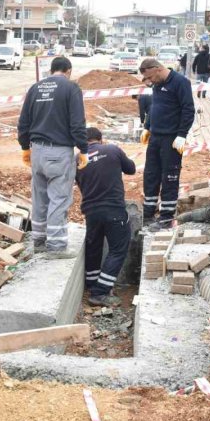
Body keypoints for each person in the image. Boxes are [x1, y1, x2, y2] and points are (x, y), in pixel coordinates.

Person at [17, 56, 88, 258]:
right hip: (59, 151)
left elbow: (23, 122)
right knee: (59, 198)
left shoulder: (35, 88)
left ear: (52, 70)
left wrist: (25, 147)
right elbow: (77, 123)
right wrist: (83, 148)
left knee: (40, 197)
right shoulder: (71, 88)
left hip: (37, 150)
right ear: (68, 70)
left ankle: (39, 242)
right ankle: (56, 247)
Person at [76, 127, 136, 307]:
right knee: (118, 249)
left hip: (91, 211)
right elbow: (131, 169)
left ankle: (92, 283)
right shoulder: (112, 149)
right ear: (100, 140)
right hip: (113, 209)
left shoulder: (77, 159)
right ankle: (100, 292)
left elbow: (79, 182)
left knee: (94, 247)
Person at [139, 58, 195, 229]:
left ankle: (166, 217)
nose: (150, 82)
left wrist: (182, 135)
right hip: (155, 137)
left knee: (169, 177)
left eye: (150, 77)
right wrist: (147, 127)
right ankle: (148, 213)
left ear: (157, 69)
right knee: (151, 174)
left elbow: (188, 109)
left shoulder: (180, 82)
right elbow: (154, 107)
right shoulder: (157, 84)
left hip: (172, 139)